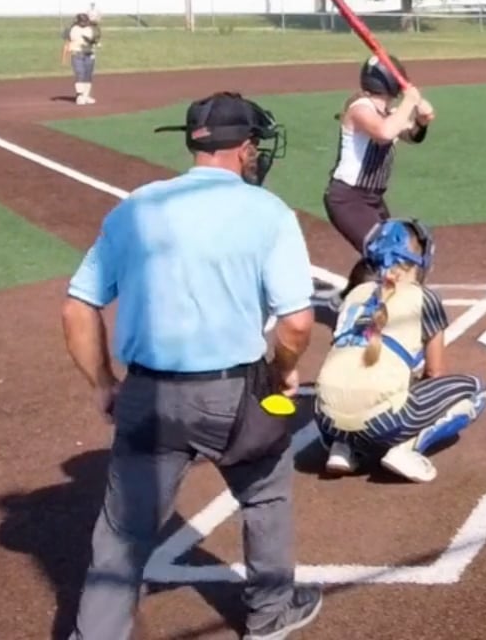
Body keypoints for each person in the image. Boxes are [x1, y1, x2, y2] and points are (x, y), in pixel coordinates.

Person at [60, 91, 323, 640]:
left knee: (123, 532)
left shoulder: (135, 207)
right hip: (236, 395)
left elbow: (77, 306)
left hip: (147, 396)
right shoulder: (268, 211)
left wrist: (104, 383)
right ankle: (270, 613)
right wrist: (282, 370)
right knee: (265, 493)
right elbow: (297, 324)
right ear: (245, 149)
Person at [315, 219, 486, 483]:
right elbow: (435, 373)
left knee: (353, 376)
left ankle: (343, 448)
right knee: (474, 390)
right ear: (419, 260)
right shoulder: (425, 298)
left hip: (326, 422)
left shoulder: (354, 294)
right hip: (381, 425)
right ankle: (406, 448)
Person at [323, 54, 433, 275]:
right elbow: (384, 132)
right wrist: (410, 101)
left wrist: (422, 120)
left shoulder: (388, 114)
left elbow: (413, 136)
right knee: (387, 256)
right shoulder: (360, 109)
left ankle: (365, 289)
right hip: (348, 199)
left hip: (372, 199)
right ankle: (364, 293)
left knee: (397, 251)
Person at [61, 11, 102, 105]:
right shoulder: (72, 29)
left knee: (88, 75)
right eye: (82, 21)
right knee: (80, 74)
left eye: (85, 21)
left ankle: (86, 96)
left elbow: (95, 39)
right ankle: (79, 96)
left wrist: (96, 44)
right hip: (77, 54)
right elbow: (67, 44)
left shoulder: (91, 28)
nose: (84, 23)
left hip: (89, 54)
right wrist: (64, 57)